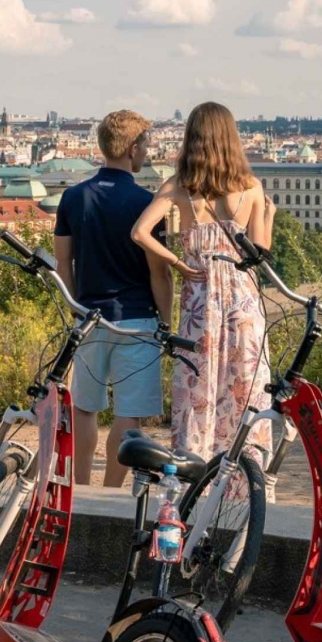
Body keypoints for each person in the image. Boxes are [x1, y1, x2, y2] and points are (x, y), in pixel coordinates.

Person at [131, 101, 276, 472]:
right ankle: (245, 479)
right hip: (244, 300)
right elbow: (260, 252)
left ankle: (193, 474)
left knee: (198, 389)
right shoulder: (251, 187)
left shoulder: (181, 185)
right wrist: (269, 215)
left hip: (201, 299)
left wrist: (179, 263)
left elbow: (139, 233)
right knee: (245, 389)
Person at [53, 109, 174, 487]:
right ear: (133, 148)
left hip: (88, 317)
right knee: (129, 416)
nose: (147, 154)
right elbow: (159, 271)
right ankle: (110, 495)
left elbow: (63, 263)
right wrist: (166, 321)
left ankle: (81, 490)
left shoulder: (73, 198)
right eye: (146, 146)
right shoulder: (146, 202)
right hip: (137, 319)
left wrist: (77, 309)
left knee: (86, 408)